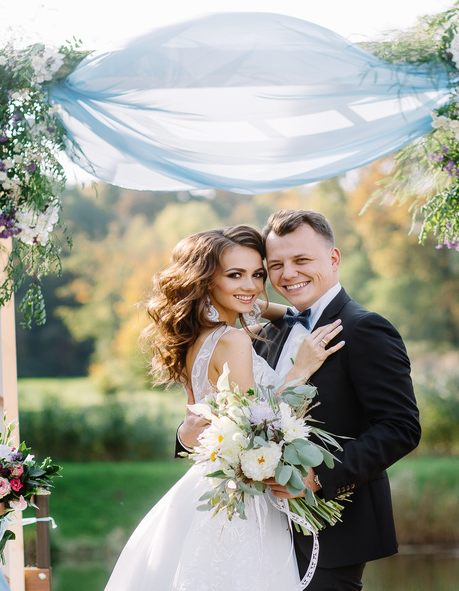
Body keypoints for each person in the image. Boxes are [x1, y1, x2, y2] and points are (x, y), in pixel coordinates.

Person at [104, 225, 344, 591]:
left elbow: (260, 307)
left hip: (209, 487)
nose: (250, 285)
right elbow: (259, 426)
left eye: (258, 274)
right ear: (205, 282)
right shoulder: (233, 340)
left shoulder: (197, 336)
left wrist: (287, 309)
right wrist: (300, 369)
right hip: (243, 497)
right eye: (235, 275)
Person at [259, 209, 421, 591]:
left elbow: (401, 428)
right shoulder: (269, 333)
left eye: (301, 260)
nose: (288, 274)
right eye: (276, 264)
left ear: (333, 259)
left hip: (335, 529)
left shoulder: (366, 328)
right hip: (265, 527)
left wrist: (318, 477)